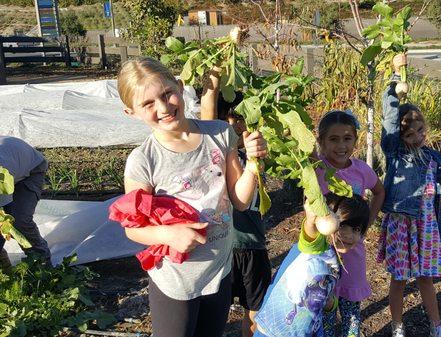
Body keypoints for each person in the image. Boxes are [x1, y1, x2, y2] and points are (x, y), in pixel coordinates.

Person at [116, 57, 267, 337]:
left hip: (218, 271)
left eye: (166, 94)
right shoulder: (143, 161)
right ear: (131, 112)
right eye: (148, 104)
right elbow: (132, 228)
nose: (163, 107)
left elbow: (241, 201)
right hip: (175, 280)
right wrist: (169, 235)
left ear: (180, 85)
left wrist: (254, 163)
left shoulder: (220, 134)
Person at [377, 54, 441, 337]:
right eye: (410, 134)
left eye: (420, 130)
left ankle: (436, 324)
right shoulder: (395, 153)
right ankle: (397, 326)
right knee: (399, 280)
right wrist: (397, 79)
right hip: (401, 225)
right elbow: (390, 120)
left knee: (425, 279)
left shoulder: (433, 160)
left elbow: (437, 202)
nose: (417, 136)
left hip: (427, 227)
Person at [200, 69, 272, 337]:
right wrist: (214, 82)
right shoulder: (216, 153)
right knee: (215, 311)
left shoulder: (256, 153)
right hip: (224, 247)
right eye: (225, 117)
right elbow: (207, 121)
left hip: (254, 245)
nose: (232, 123)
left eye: (238, 117)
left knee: (256, 310)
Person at [253, 193, 370, 337]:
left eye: (356, 229)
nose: (348, 234)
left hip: (305, 330)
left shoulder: (336, 262)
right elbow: (311, 233)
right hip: (274, 329)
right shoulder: (314, 247)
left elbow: (326, 296)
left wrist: (331, 303)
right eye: (343, 225)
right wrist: (310, 219)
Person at [315, 110, 385, 337]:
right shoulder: (316, 170)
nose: (341, 145)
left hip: (353, 252)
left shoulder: (361, 170)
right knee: (323, 305)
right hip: (322, 251)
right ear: (322, 142)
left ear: (355, 140)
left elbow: (379, 191)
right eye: (333, 139)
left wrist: (367, 222)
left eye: (347, 138)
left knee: (351, 309)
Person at [0, 136, 51, 269]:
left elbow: (5, 218)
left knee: (19, 219)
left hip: (32, 169)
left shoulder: (2, 175)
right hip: (13, 157)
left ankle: (41, 263)